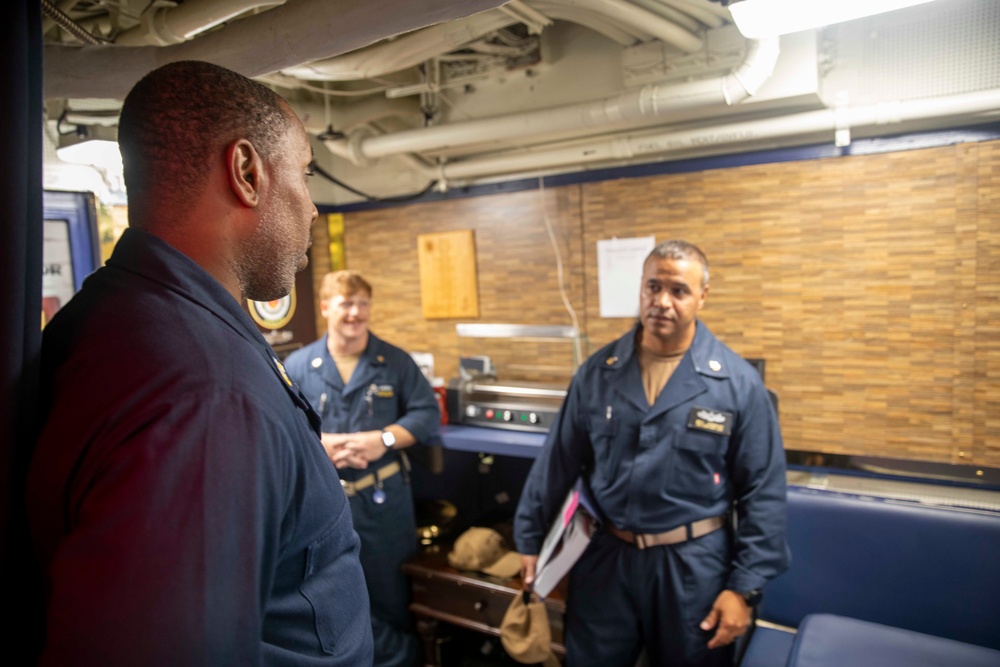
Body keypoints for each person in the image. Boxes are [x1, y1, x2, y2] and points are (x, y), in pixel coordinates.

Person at [26, 61, 373, 665]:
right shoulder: (209, 395)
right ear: (246, 172)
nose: (313, 208)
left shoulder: (116, 317)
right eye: (306, 175)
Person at [514, 240, 789, 667]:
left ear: (702, 295)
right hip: (606, 556)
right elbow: (557, 463)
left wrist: (744, 588)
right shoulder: (598, 373)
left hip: (692, 566)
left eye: (678, 290)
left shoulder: (736, 384)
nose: (661, 301)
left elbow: (763, 491)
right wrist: (529, 540)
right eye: (652, 287)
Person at [283, 270, 440, 667]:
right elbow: (282, 426)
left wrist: (382, 440)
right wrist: (321, 445)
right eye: (346, 304)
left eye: (362, 304)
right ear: (325, 308)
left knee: (391, 596)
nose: (355, 313)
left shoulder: (393, 361)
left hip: (383, 505)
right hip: (324, 504)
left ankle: (403, 659)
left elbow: (426, 414)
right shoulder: (299, 365)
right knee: (332, 598)